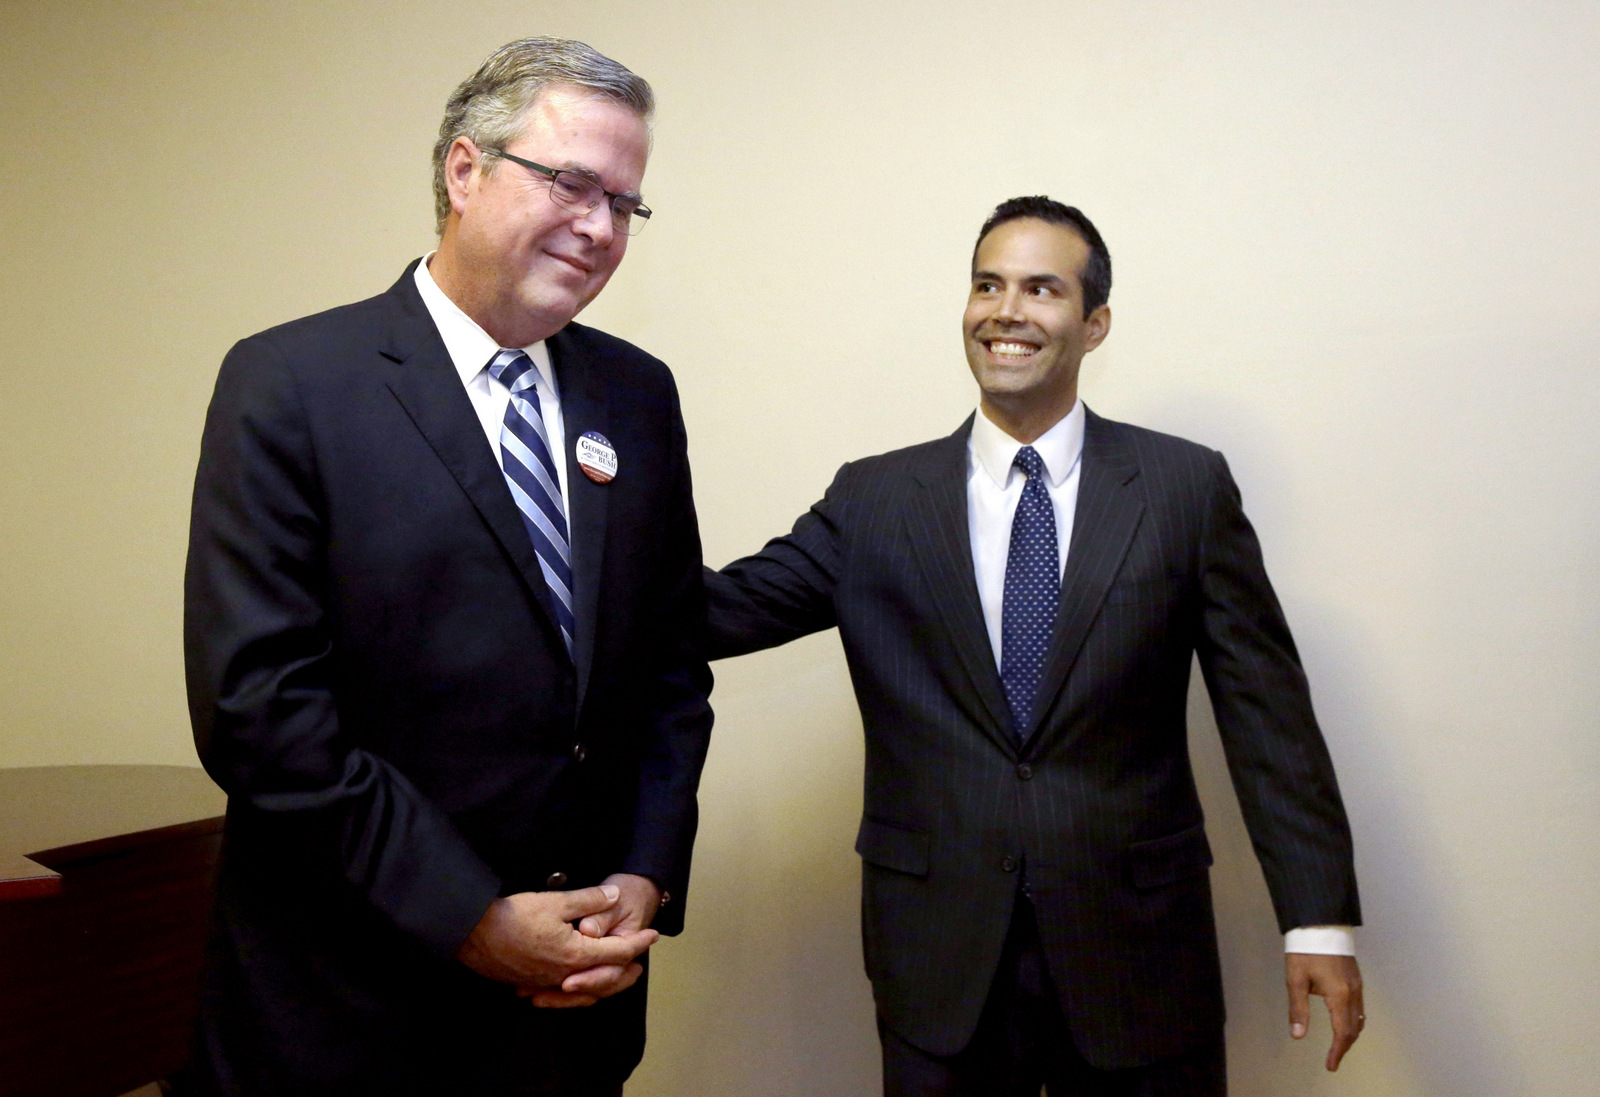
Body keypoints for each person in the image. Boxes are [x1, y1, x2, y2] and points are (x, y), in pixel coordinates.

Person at [703, 197, 1364, 1096]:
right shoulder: (874, 500)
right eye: (987, 284)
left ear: (1093, 325)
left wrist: (1317, 919)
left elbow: (1267, 713)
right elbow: (718, 613)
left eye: (1041, 288)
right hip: (940, 963)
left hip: (1138, 956)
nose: (1005, 311)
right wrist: (565, 527)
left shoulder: (1181, 488)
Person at [180, 37, 712, 1097]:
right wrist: (469, 915)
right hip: (350, 1011)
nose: (600, 226)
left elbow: (667, 668)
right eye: (572, 182)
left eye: (624, 202)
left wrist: (642, 877)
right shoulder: (292, 382)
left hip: (568, 1020)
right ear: (464, 171)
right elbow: (261, 710)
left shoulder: (636, 394)